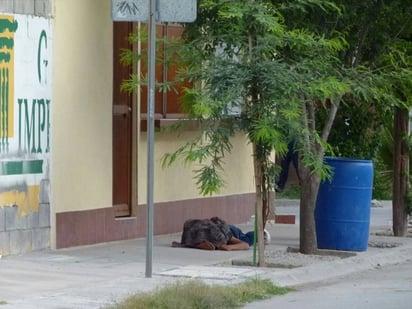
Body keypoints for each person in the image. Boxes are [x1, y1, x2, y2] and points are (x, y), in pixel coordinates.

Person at [172, 217, 250, 251]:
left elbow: (245, 245)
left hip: (233, 231)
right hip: (216, 226)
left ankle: (260, 233)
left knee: (249, 238)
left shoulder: (222, 236)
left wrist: (229, 247)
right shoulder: (192, 236)